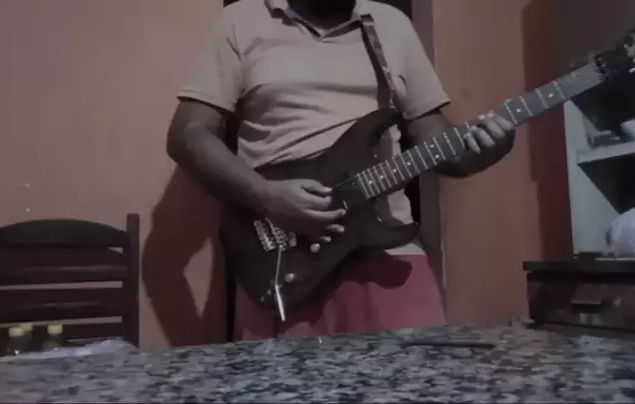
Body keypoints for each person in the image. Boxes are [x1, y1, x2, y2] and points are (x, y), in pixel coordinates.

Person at [167, 0, 515, 340]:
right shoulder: (240, 20)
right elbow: (188, 134)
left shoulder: (391, 25)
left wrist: (486, 147)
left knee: (424, 373)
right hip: (284, 257)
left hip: (387, 252)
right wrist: (265, 197)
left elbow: (440, 145)